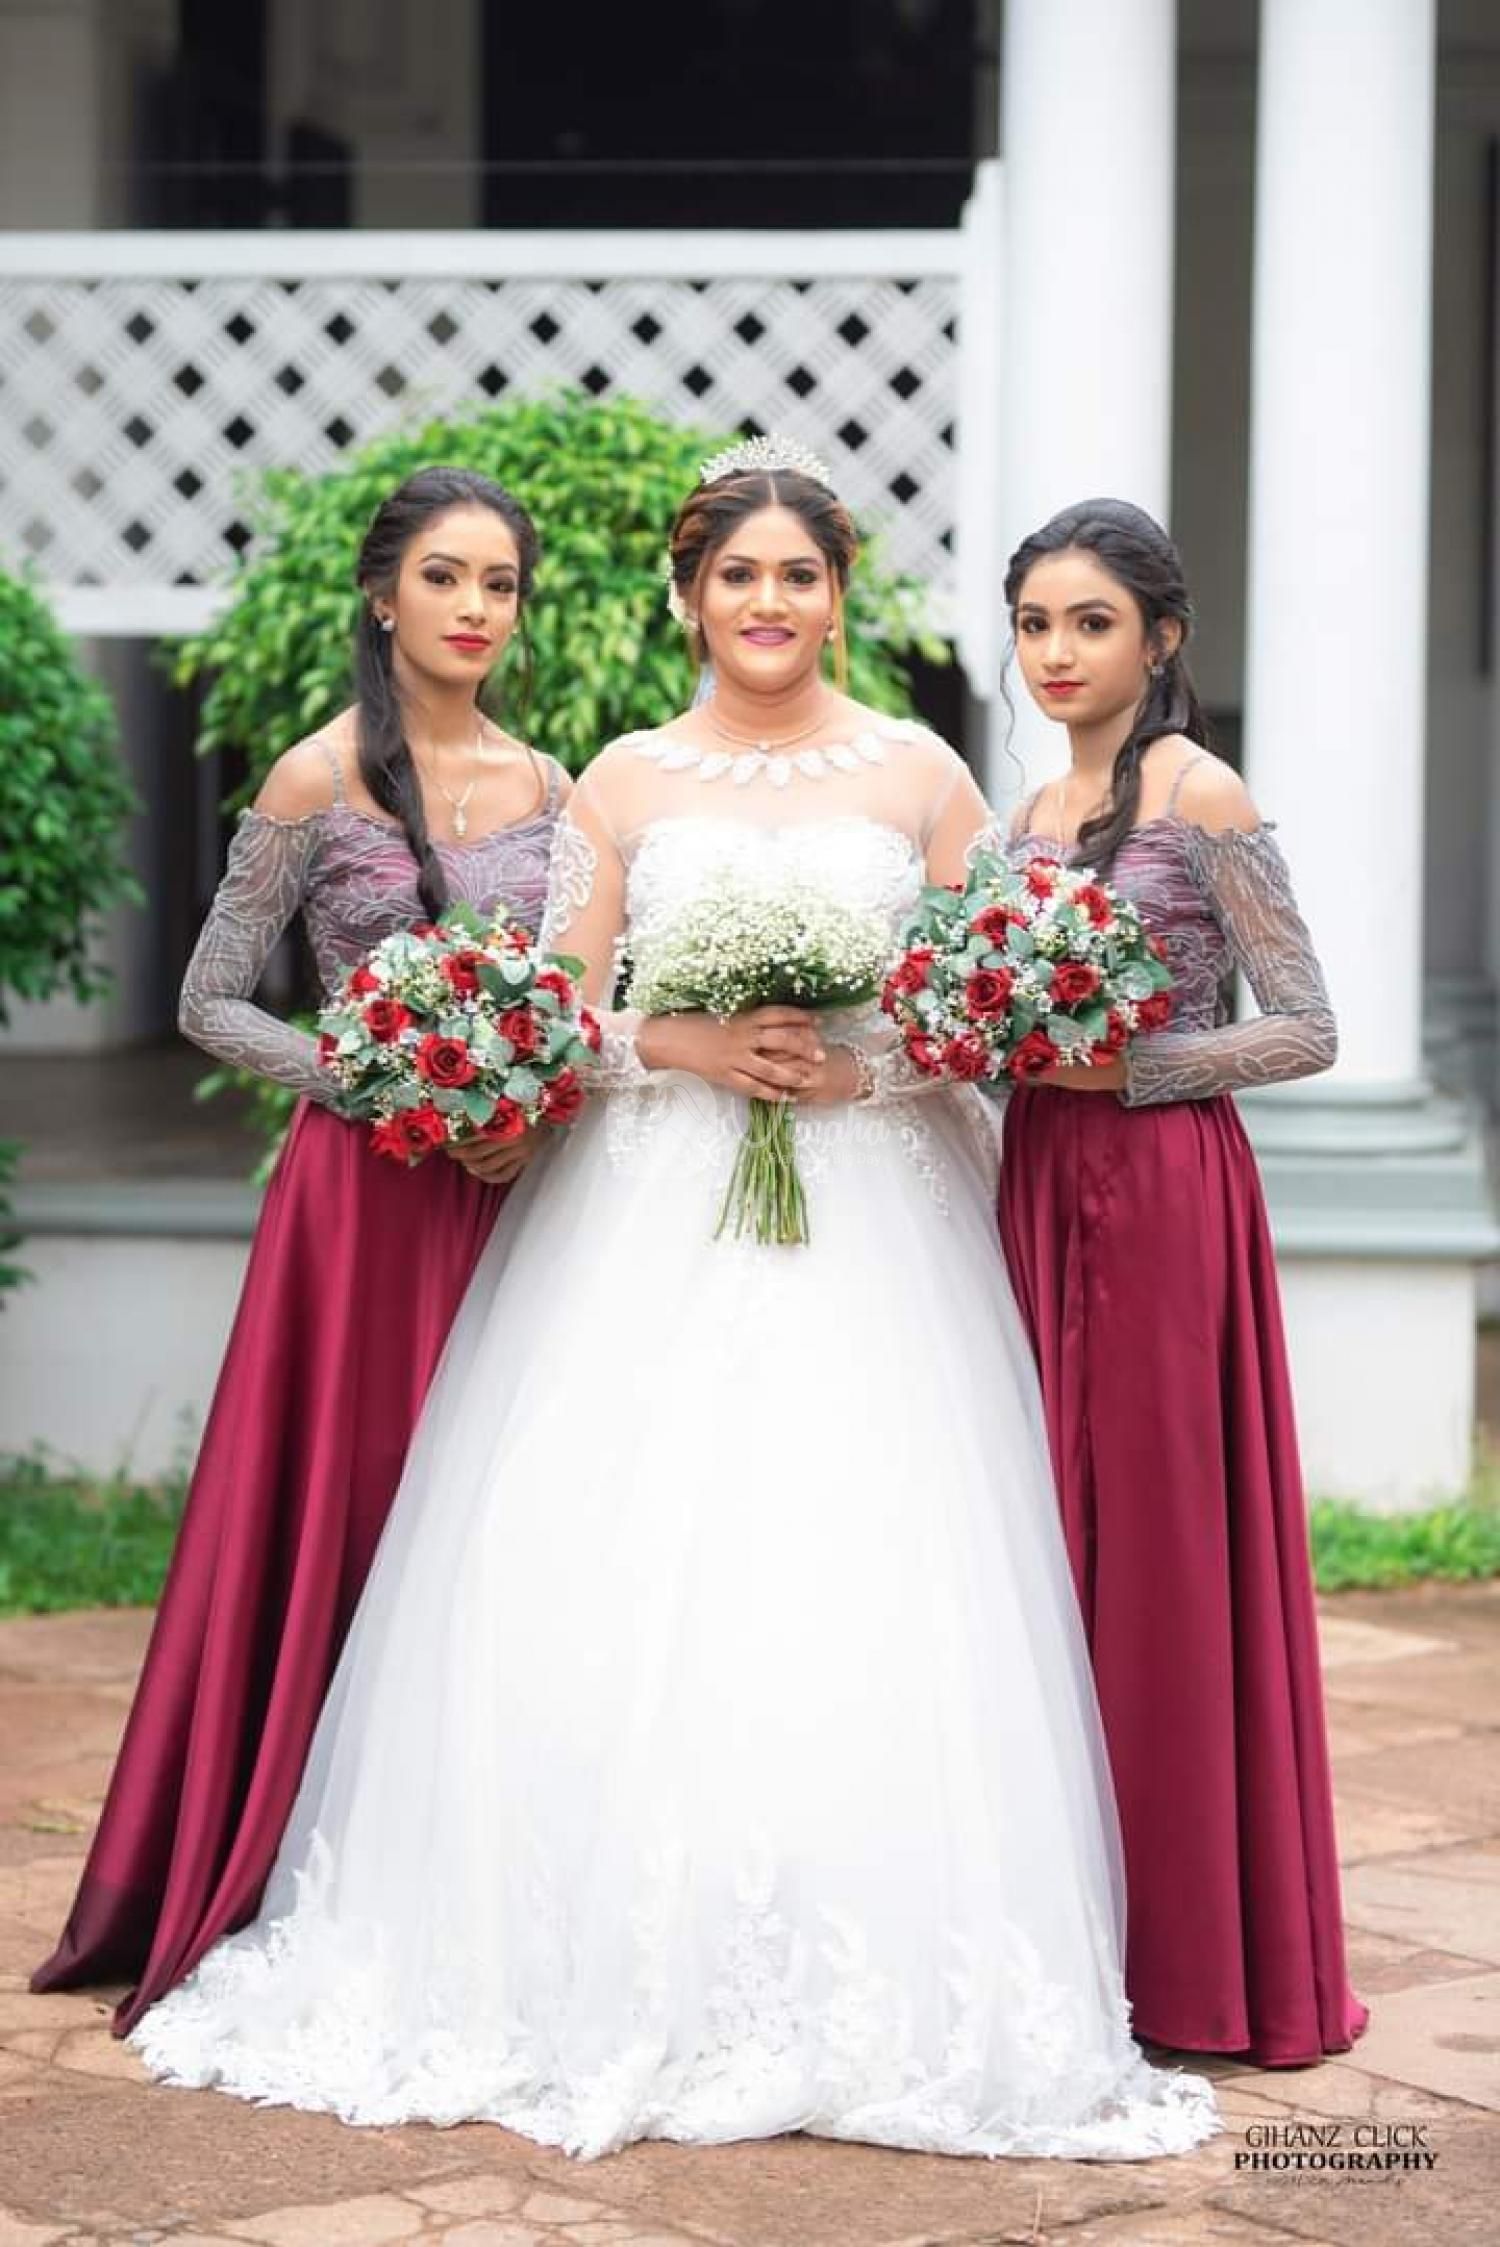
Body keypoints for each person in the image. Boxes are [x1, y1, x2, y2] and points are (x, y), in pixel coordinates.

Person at [127, 439, 1217, 2163]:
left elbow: (980, 1017)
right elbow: (567, 1016)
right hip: (648, 1212)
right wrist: (686, 1042)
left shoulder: (927, 774)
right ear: (689, 598)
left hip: (883, 1224)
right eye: (736, 576)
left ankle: (872, 1954)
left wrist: (873, 1067)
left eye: (798, 576)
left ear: (837, 597)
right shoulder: (621, 781)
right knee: (617, 1557)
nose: (767, 603)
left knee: (872, 1567)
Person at [32, 466, 569, 2036]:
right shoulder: (312, 777)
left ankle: (482, 1871)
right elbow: (211, 1001)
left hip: (510, 1198)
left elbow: (572, 995)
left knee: (504, 1520)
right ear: (382, 594)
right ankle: (298, 1848)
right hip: (362, 1203)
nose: (474, 609)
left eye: (500, 585)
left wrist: (526, 1107)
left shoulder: (553, 787)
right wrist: (379, 1077)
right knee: (354, 1500)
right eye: (446, 578)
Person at [995, 496, 1366, 2066]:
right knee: (1034, 1537)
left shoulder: (1201, 792)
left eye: (1091, 623)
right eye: (1035, 624)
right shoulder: (1021, 814)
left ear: (1162, 639)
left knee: (1157, 1553)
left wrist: (1130, 1069)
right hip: (1028, 1192)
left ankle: (1192, 1954)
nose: (1059, 652)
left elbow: (1307, 1024)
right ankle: (1058, 1935)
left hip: (1159, 1200)